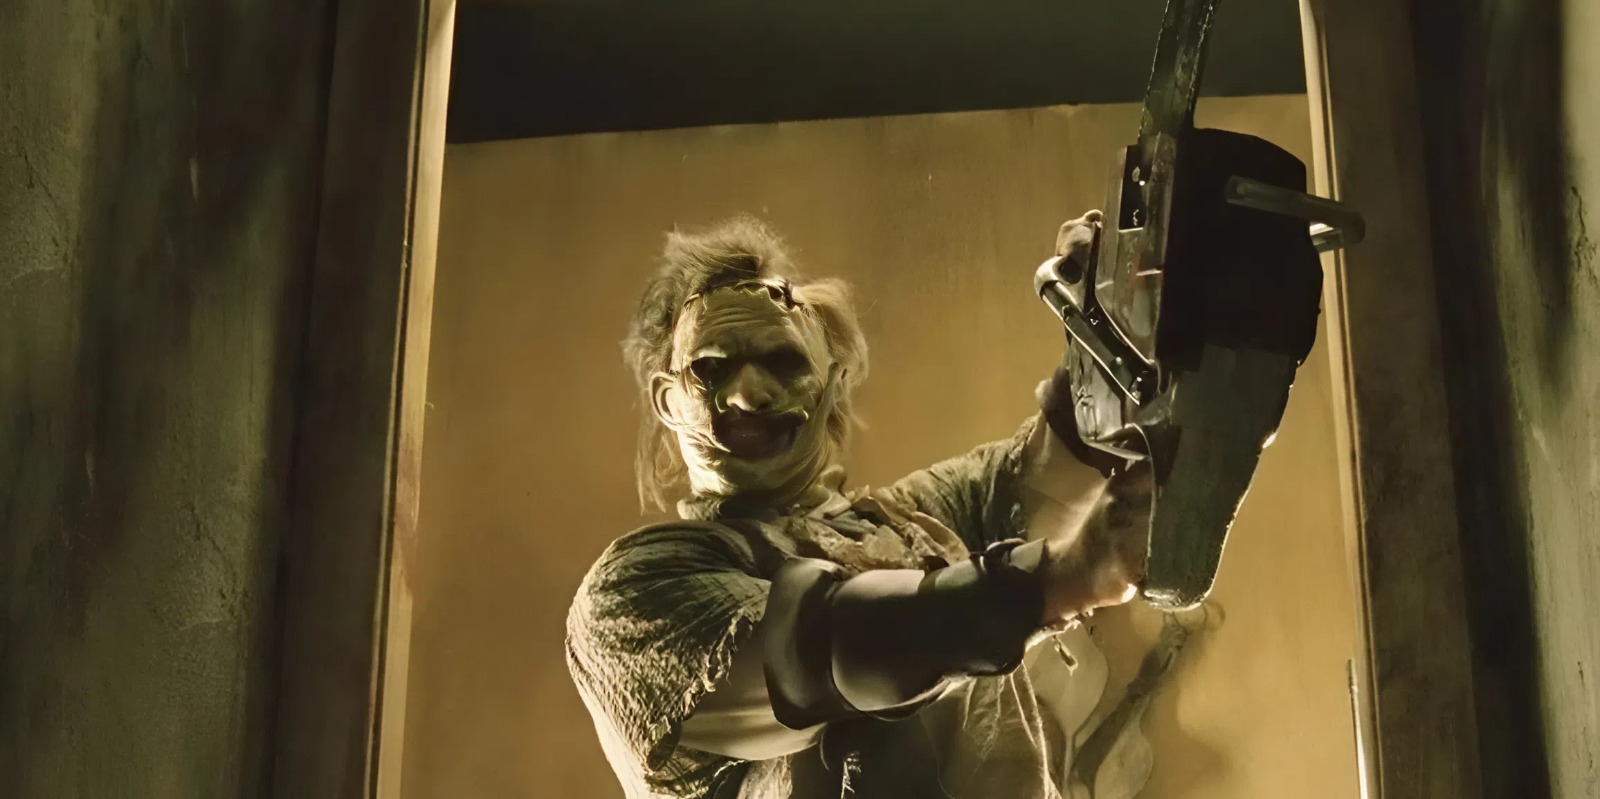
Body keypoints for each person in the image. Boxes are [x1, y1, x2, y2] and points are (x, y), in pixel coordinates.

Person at [566, 212, 1153, 799]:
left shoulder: (920, 523)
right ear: (668, 399)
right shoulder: (633, 589)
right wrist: (1065, 578)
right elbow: (817, 659)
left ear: (832, 382)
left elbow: (1074, 456)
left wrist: (1114, 321)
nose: (748, 394)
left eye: (784, 362)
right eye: (712, 368)